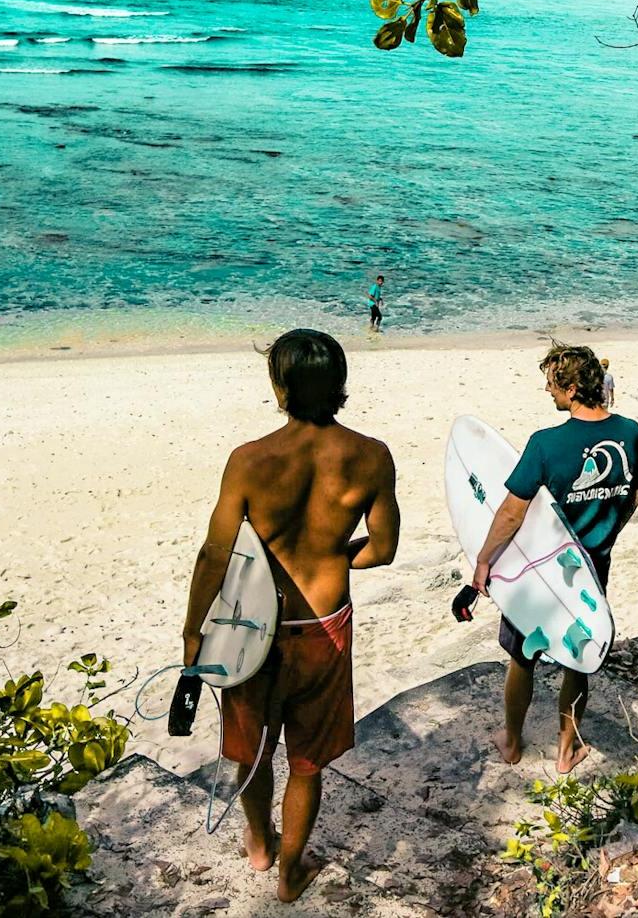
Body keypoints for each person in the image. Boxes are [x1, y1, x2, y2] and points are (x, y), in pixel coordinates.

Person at [180, 329, 400, 903]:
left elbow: (215, 554)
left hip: (251, 625)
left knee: (254, 749)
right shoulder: (371, 455)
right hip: (324, 625)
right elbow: (384, 548)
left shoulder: (250, 460)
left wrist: (191, 632)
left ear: (279, 386)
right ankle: (290, 874)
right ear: (340, 385)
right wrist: (334, 555)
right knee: (306, 762)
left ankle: (258, 845)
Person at [473, 343, 638, 774]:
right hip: (591, 567)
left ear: (571, 388)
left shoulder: (546, 444)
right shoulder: (630, 432)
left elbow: (512, 511)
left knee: (522, 656)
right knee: (578, 656)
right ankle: (567, 751)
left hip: (539, 571)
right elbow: (635, 493)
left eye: (551, 384)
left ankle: (512, 741)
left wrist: (483, 560)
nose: (547, 392)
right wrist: (608, 534)